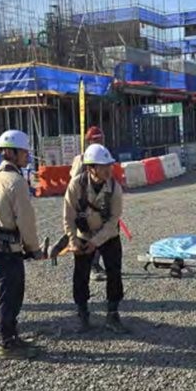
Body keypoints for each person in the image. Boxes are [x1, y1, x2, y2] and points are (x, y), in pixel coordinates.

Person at [0, 129, 43, 360]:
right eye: (24, 152)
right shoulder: (15, 181)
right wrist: (34, 248)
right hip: (7, 250)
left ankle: (12, 337)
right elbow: (25, 220)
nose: (27, 156)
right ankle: (7, 343)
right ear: (12, 153)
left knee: (8, 293)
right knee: (10, 296)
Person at [63, 142, 127, 334]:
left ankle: (113, 314)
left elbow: (114, 220)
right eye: (103, 166)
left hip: (108, 236)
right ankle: (82, 314)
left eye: (109, 165)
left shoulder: (114, 188)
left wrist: (95, 242)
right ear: (91, 168)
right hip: (83, 235)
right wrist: (73, 240)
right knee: (80, 276)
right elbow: (68, 216)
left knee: (114, 273)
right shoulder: (76, 185)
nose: (109, 169)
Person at [70, 125, 108, 282]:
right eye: (96, 140)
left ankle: (96, 264)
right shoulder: (81, 159)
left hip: (101, 205)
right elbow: (74, 182)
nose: (99, 143)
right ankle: (92, 267)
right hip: (86, 206)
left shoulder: (105, 157)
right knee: (88, 237)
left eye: (100, 140)